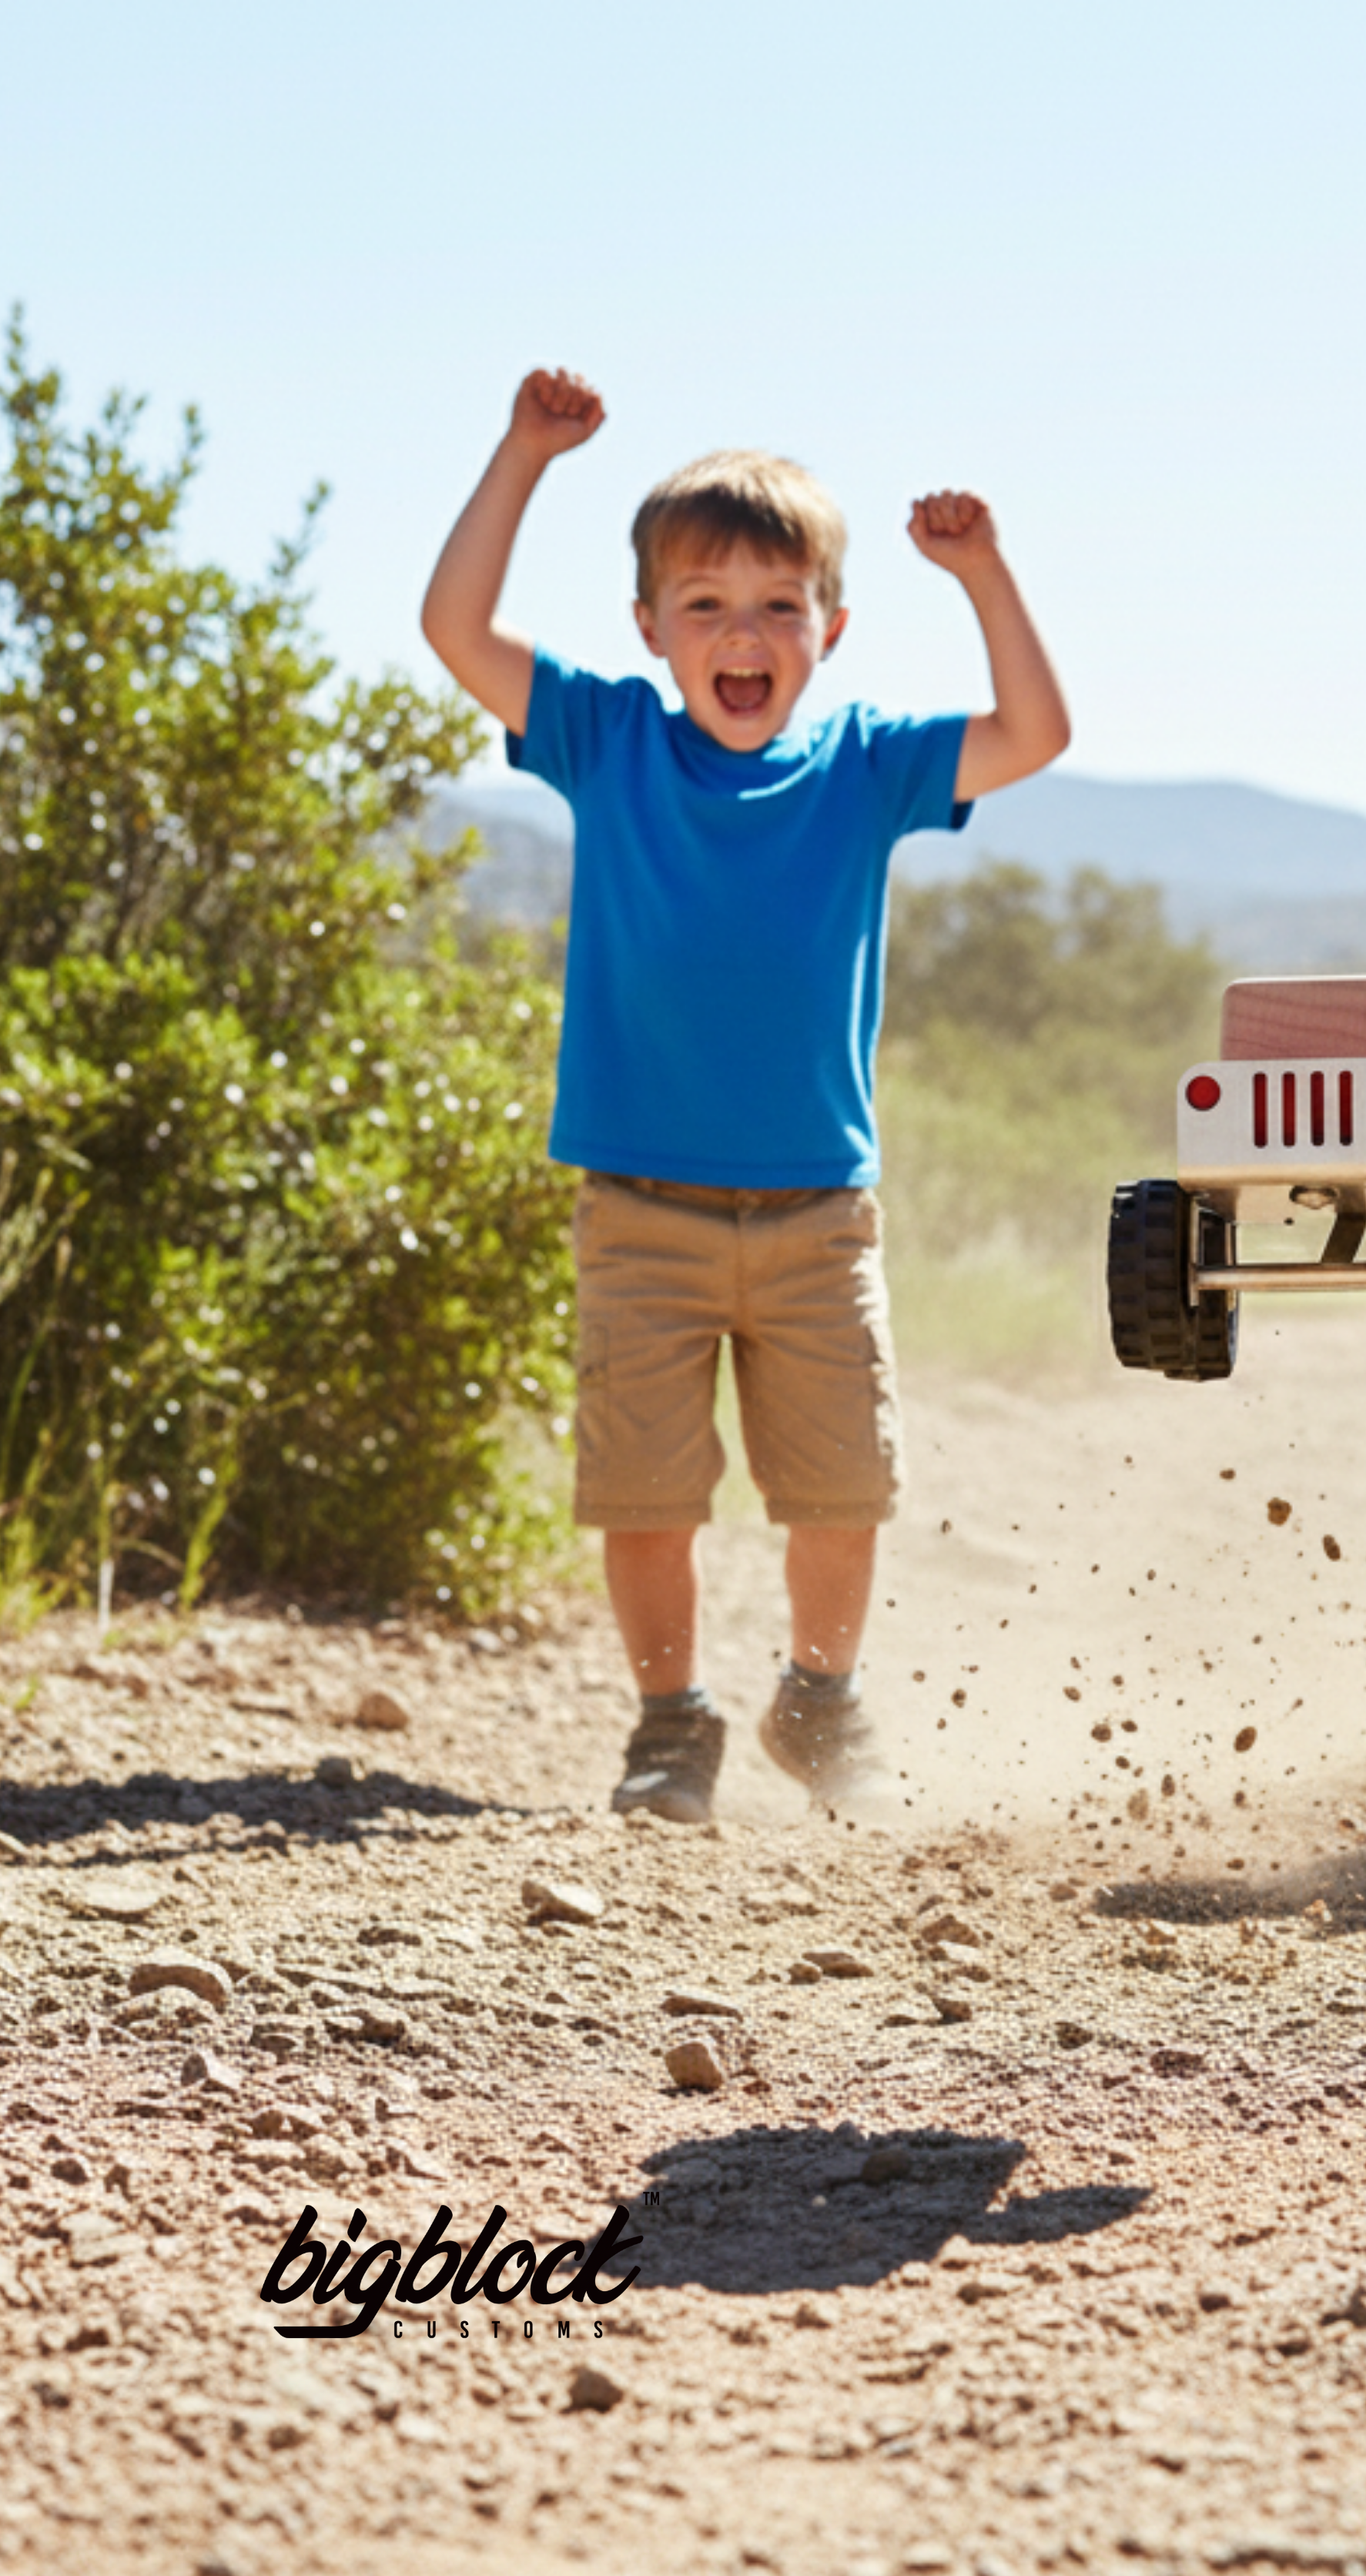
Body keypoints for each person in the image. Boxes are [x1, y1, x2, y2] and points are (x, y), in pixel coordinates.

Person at [422, 367, 1069, 1823]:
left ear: (830, 630)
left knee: (841, 1494)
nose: (743, 633)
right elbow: (454, 631)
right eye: (703, 603)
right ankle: (669, 1728)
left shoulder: (867, 766)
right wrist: (524, 456)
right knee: (646, 1498)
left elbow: (1034, 736)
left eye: (779, 605)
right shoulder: (606, 739)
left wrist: (984, 573)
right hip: (636, 1209)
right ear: (648, 630)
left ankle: (818, 1698)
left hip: (817, 1212)